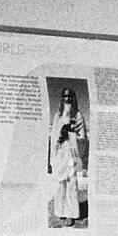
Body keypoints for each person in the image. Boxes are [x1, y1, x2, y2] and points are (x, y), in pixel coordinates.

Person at [49, 88, 87, 227]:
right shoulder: (58, 116)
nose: (68, 99)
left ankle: (71, 214)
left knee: (71, 183)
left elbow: (82, 138)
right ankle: (61, 211)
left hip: (71, 153)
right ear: (62, 99)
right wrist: (60, 134)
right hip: (60, 153)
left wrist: (70, 132)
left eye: (70, 97)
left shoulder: (77, 116)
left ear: (73, 98)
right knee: (60, 183)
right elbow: (54, 136)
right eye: (65, 97)